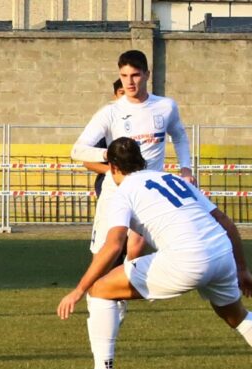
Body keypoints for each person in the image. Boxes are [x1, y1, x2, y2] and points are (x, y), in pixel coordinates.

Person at [57, 137, 252, 369]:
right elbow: (225, 221)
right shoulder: (172, 179)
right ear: (142, 159)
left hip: (186, 259)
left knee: (99, 290)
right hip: (221, 253)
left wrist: (79, 290)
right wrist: (242, 268)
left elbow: (113, 245)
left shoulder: (122, 193)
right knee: (236, 315)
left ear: (111, 167)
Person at [72, 50, 196, 324]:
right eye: (124, 76)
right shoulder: (111, 112)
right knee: (105, 256)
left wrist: (186, 168)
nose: (130, 82)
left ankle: (135, 291)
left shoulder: (165, 107)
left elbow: (180, 136)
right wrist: (110, 156)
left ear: (147, 75)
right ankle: (101, 309)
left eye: (135, 75)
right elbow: (78, 149)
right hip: (116, 195)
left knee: (167, 245)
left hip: (151, 195)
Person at [83, 78, 125, 197]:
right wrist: (116, 173)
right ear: (115, 96)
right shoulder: (105, 124)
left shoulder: (145, 123)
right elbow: (88, 162)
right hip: (110, 188)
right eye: (122, 93)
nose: (125, 98)